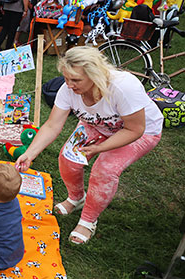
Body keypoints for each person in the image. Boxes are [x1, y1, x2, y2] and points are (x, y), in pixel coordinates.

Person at [15, 46, 164, 245]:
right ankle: (76, 198)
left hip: (140, 132)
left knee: (104, 169)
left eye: (76, 80)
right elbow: (52, 125)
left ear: (95, 75)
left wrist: (100, 148)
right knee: (69, 157)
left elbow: (134, 129)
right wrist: (30, 153)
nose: (69, 85)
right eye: (66, 78)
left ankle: (88, 220)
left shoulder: (124, 86)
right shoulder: (67, 89)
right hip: (98, 124)